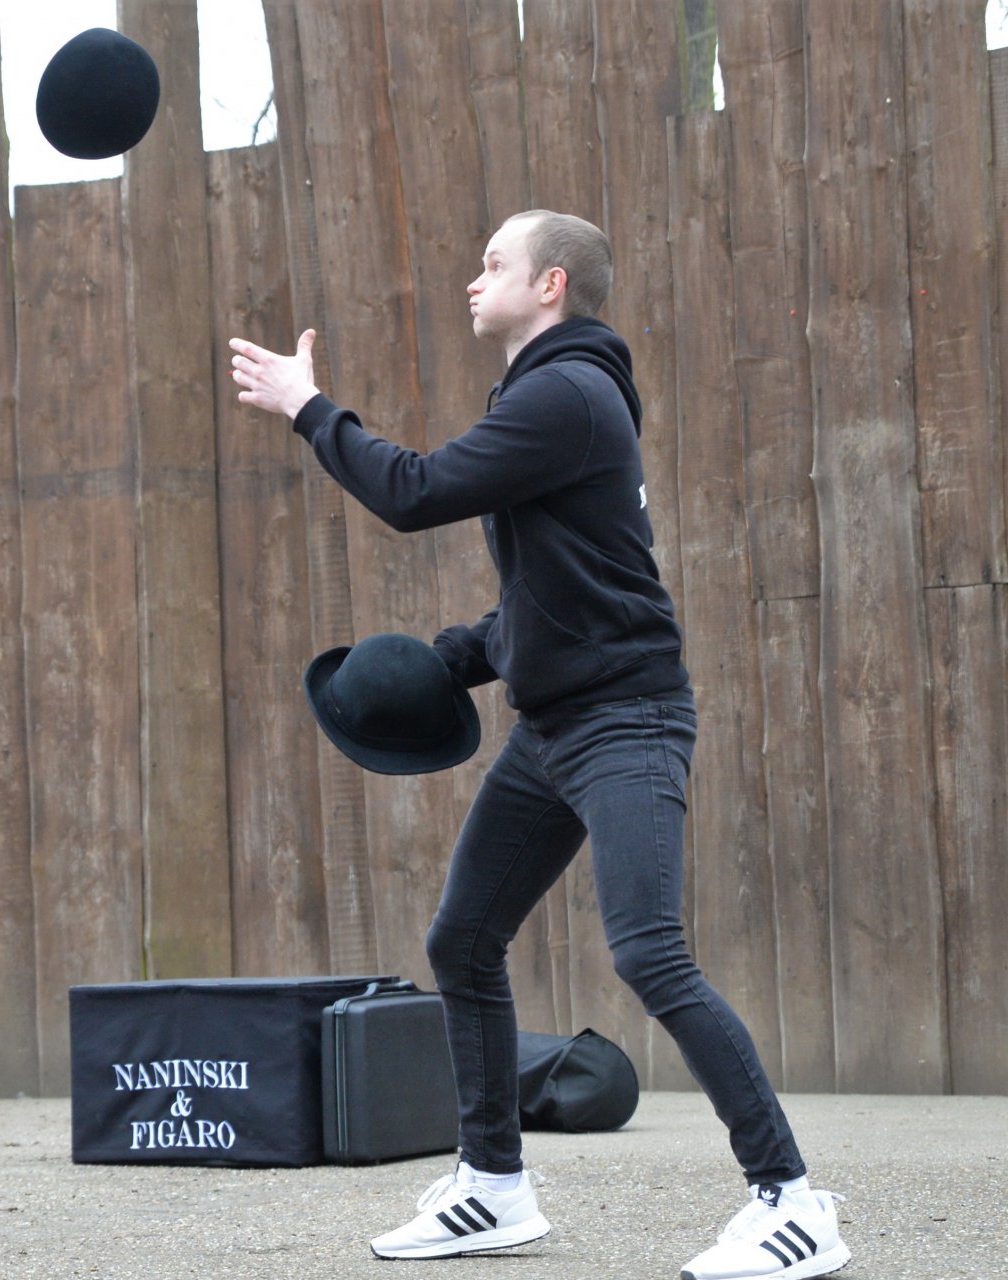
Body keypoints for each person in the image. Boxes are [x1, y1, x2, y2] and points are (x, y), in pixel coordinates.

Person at [229, 212, 850, 1280]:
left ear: (552, 283)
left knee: (647, 950)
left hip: (628, 719)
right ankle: (494, 1185)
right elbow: (555, 593)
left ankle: (794, 1200)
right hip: (556, 724)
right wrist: (450, 660)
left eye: (494, 264)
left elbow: (414, 492)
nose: (474, 279)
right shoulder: (544, 395)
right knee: (463, 941)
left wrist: (308, 407)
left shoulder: (565, 394)